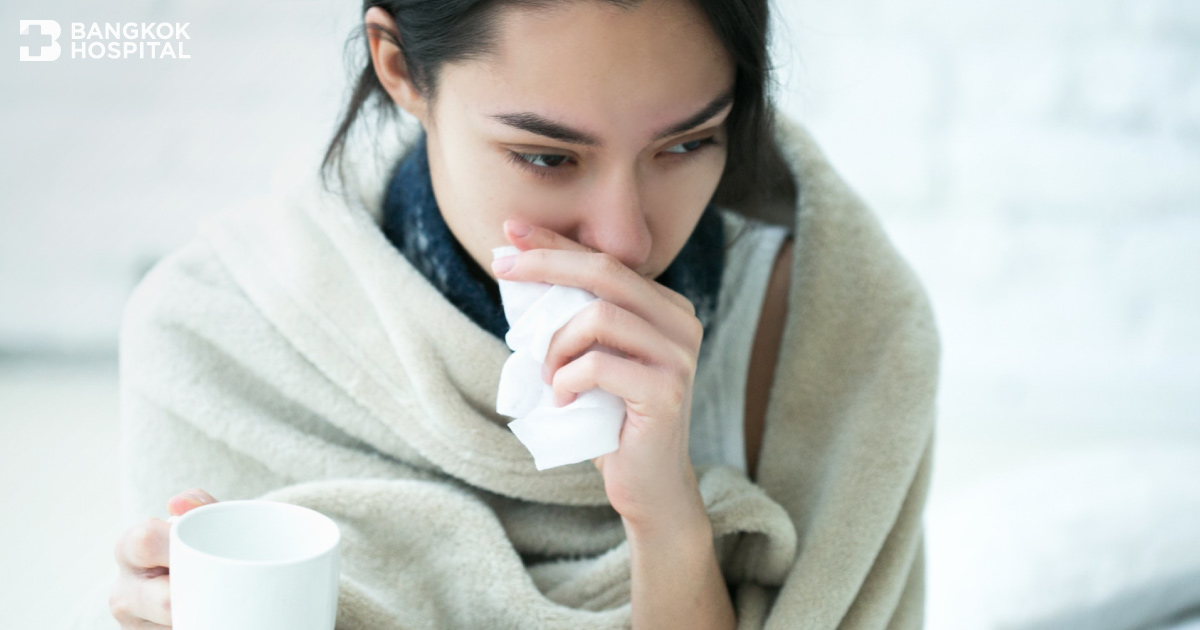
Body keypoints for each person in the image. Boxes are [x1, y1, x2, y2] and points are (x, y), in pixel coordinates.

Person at [94, 0, 939, 628]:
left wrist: (669, 524)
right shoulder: (218, 338)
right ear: (400, 69)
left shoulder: (829, 330)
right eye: (545, 156)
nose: (623, 236)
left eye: (686, 144)